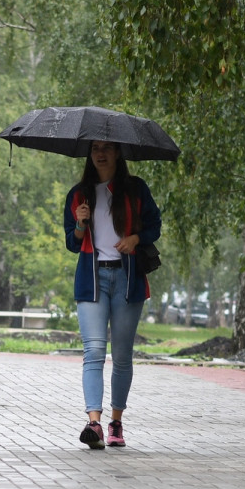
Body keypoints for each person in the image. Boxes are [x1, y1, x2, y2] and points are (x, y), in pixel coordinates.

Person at [63, 140, 161, 449]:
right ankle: (94, 424)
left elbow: (154, 226)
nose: (100, 154)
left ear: (118, 152)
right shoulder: (79, 194)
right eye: (95, 149)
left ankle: (116, 422)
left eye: (107, 148)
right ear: (89, 155)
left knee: (121, 355)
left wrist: (135, 238)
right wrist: (80, 224)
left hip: (127, 278)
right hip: (92, 279)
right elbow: (72, 242)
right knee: (93, 351)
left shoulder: (135, 189)